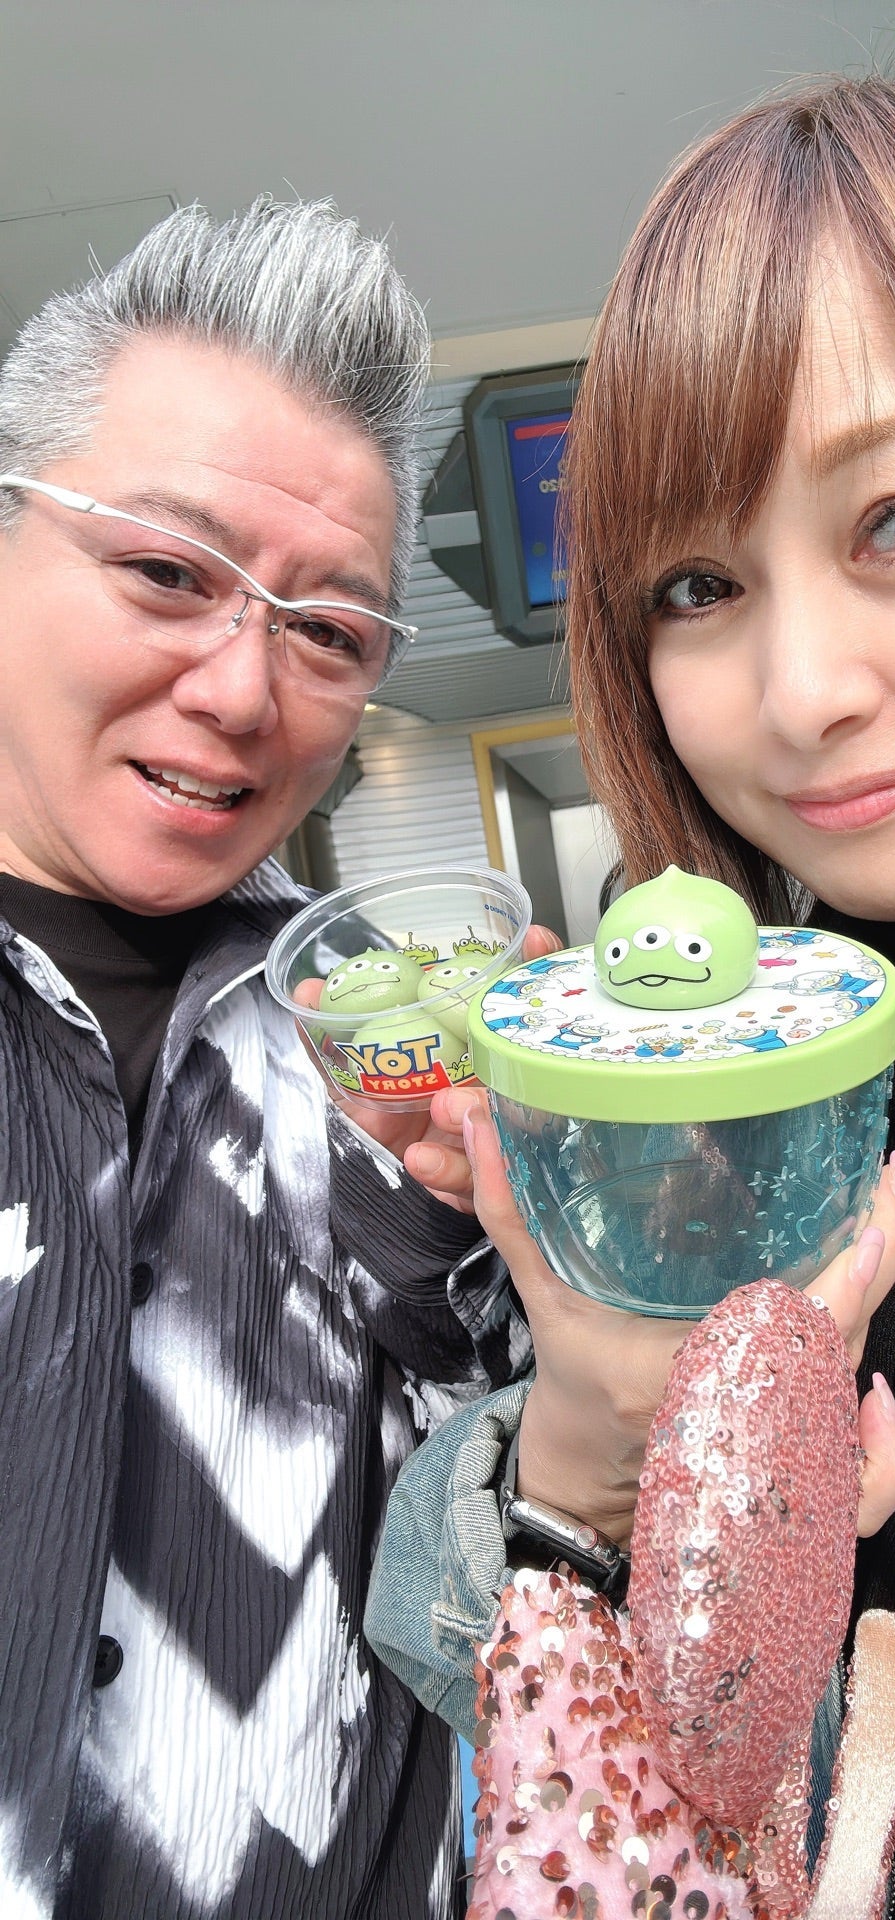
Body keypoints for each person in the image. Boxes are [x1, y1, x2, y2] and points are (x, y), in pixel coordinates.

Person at [366, 63, 895, 1920]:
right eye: (696, 581)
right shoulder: (741, 1090)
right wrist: (586, 1450)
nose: (798, 693)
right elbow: (477, 1661)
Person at [0, 197, 545, 1920]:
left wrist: (559, 1233)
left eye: (327, 632)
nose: (244, 692)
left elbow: (533, 1578)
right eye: (167, 573)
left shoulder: (383, 1036)